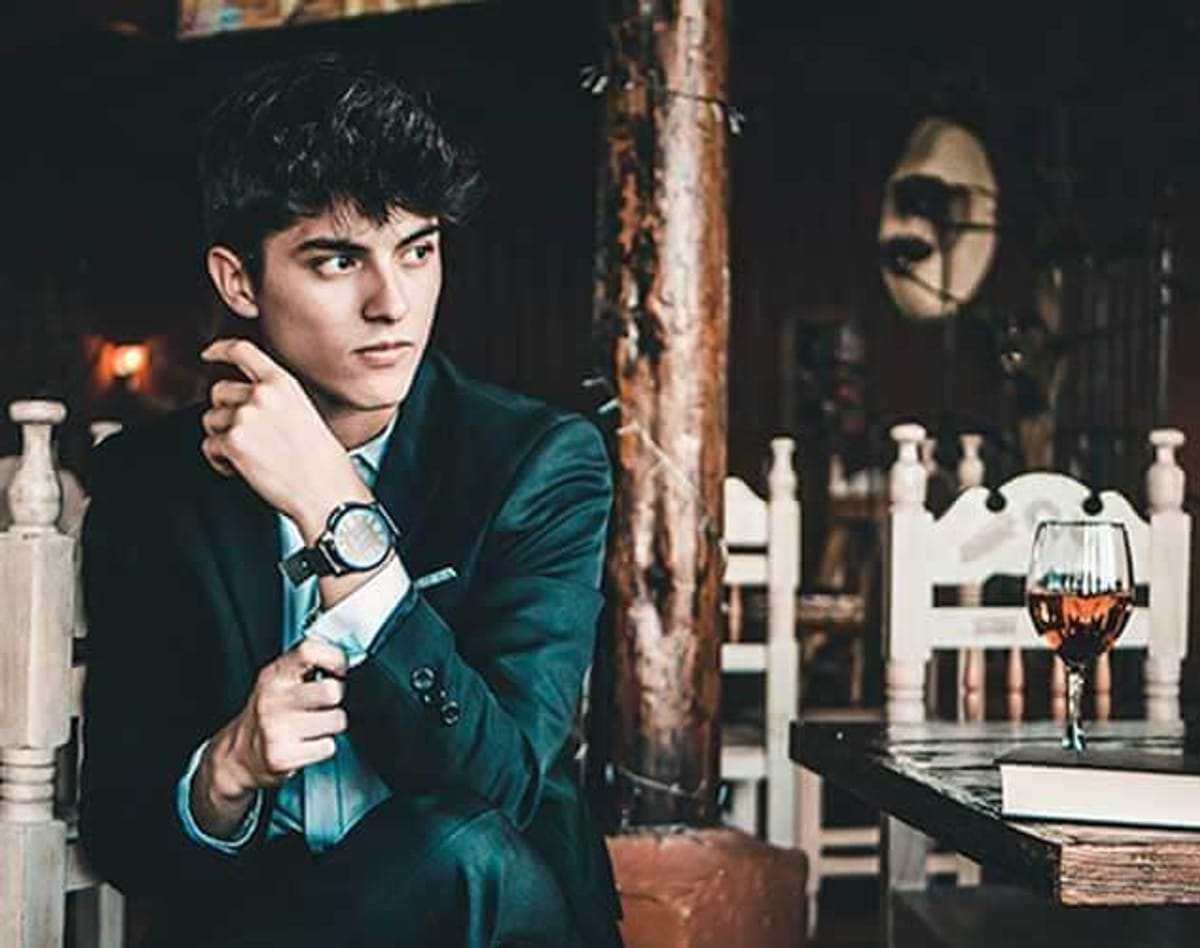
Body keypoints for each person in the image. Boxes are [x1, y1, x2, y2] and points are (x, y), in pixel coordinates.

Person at [79, 54, 623, 948]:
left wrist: (335, 510)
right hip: (275, 923)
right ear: (239, 281)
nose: (393, 303)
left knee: (465, 854)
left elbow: (500, 791)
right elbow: (121, 833)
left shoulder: (537, 464)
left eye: (418, 250)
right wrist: (227, 770)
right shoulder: (153, 486)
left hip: (493, 918)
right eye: (339, 260)